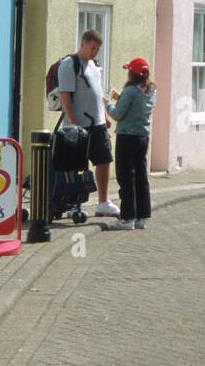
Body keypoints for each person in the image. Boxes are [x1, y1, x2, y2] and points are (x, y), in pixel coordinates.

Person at [57, 29, 119, 217]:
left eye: (97, 49)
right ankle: (75, 204)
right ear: (83, 43)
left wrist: (105, 116)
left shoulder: (94, 65)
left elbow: (97, 92)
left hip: (98, 123)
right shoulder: (69, 65)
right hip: (78, 125)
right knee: (77, 165)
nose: (94, 52)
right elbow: (65, 96)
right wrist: (73, 124)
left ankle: (102, 202)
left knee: (104, 160)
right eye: (92, 48)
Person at [102, 58, 156, 231]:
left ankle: (126, 218)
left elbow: (117, 115)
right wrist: (120, 97)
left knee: (125, 177)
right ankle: (141, 216)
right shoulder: (152, 90)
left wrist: (108, 103)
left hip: (126, 138)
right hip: (142, 138)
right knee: (141, 177)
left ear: (131, 74)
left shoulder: (131, 91)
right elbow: (134, 106)